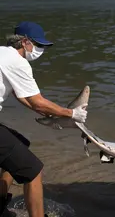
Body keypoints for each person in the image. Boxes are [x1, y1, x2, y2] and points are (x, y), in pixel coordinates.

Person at [0, 21, 88, 217]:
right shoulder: (17, 61)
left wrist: (51, 114)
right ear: (24, 42)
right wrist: (71, 114)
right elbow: (37, 101)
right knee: (33, 170)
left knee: (20, 143)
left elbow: (22, 96)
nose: (40, 50)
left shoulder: (3, 54)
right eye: (38, 45)